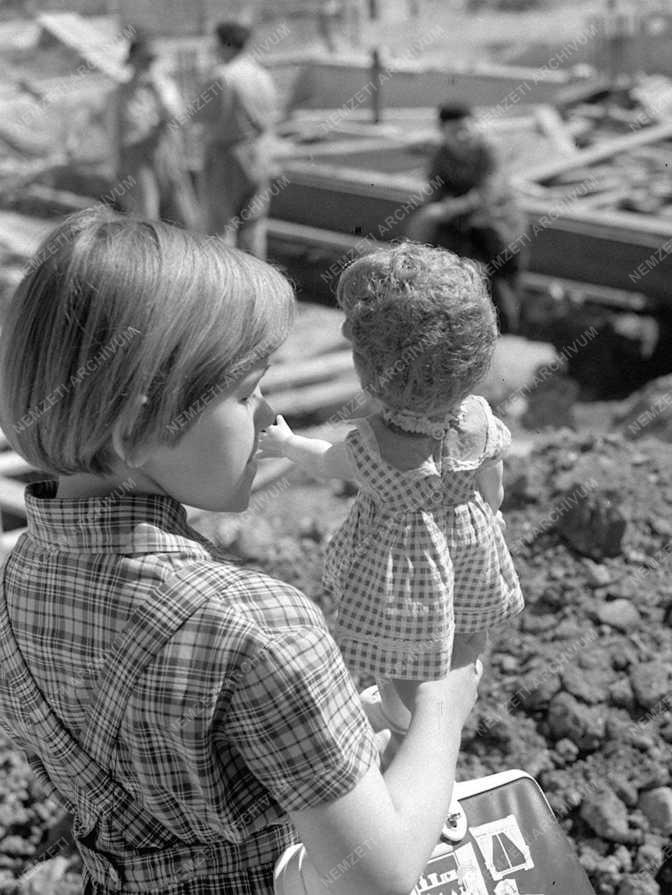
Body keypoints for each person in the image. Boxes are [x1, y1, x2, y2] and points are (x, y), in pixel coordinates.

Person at [0, 208, 482, 895]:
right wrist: (444, 703)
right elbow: (381, 873)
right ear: (140, 423)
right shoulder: (259, 628)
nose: (270, 416)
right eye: (246, 391)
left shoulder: (20, 577)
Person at [260, 242, 524, 738]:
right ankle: (460, 676)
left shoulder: (374, 445)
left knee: (400, 645)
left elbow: (325, 463)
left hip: (401, 565)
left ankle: (405, 721)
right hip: (469, 538)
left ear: (371, 372)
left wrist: (286, 443)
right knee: (465, 613)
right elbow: (495, 485)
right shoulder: (480, 420)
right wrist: (489, 514)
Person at [405, 101, 529, 333]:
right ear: (443, 132)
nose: (462, 136)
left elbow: (487, 193)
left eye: (466, 128)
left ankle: (507, 330)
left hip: (499, 226)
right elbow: (435, 189)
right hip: (463, 227)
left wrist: (445, 210)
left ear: (475, 126)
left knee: (504, 285)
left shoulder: (489, 151)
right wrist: (431, 214)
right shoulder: (442, 155)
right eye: (454, 131)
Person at [194, 21, 279, 259]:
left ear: (224, 44)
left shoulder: (223, 77)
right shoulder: (261, 75)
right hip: (258, 154)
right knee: (253, 226)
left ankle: (225, 286)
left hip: (227, 155)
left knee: (219, 228)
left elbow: (198, 116)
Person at [106, 31, 200, 229]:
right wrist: (116, 168)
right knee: (147, 217)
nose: (145, 66)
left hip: (167, 157)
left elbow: (178, 119)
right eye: (142, 61)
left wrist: (159, 89)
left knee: (185, 216)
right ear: (132, 61)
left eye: (149, 61)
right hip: (137, 162)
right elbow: (115, 134)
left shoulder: (165, 88)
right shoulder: (120, 94)